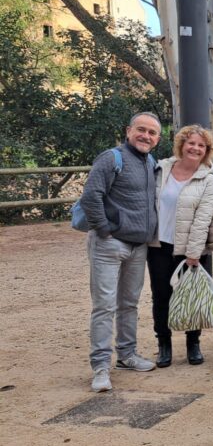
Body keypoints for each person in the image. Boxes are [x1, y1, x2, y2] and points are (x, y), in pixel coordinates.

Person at [80, 112, 162, 392]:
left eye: (152, 133)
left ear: (157, 139)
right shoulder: (111, 158)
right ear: (129, 131)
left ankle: (127, 355)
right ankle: (101, 366)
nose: (146, 136)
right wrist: (104, 229)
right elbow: (91, 195)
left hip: (138, 247)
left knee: (129, 304)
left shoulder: (150, 162)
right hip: (109, 244)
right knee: (104, 306)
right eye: (141, 130)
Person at [146, 124, 213, 368]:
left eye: (201, 145)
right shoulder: (161, 169)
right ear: (181, 145)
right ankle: (164, 344)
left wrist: (194, 253)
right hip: (160, 244)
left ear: (206, 150)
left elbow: (203, 218)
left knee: (192, 296)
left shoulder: (208, 179)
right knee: (161, 296)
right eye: (191, 143)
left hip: (191, 250)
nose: (195, 148)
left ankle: (193, 343)